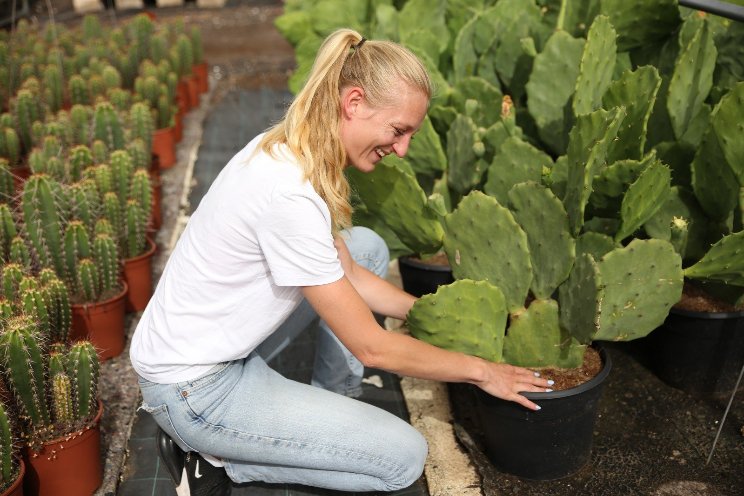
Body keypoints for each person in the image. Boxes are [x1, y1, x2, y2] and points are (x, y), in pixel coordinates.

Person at [129, 28, 553, 496]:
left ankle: (333, 408)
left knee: (366, 247)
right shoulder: (288, 194)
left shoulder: (292, 148)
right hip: (197, 391)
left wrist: (431, 315)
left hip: (208, 347)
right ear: (353, 103)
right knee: (402, 460)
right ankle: (222, 459)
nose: (404, 148)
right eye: (399, 130)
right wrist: (482, 369)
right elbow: (372, 348)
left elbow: (351, 272)